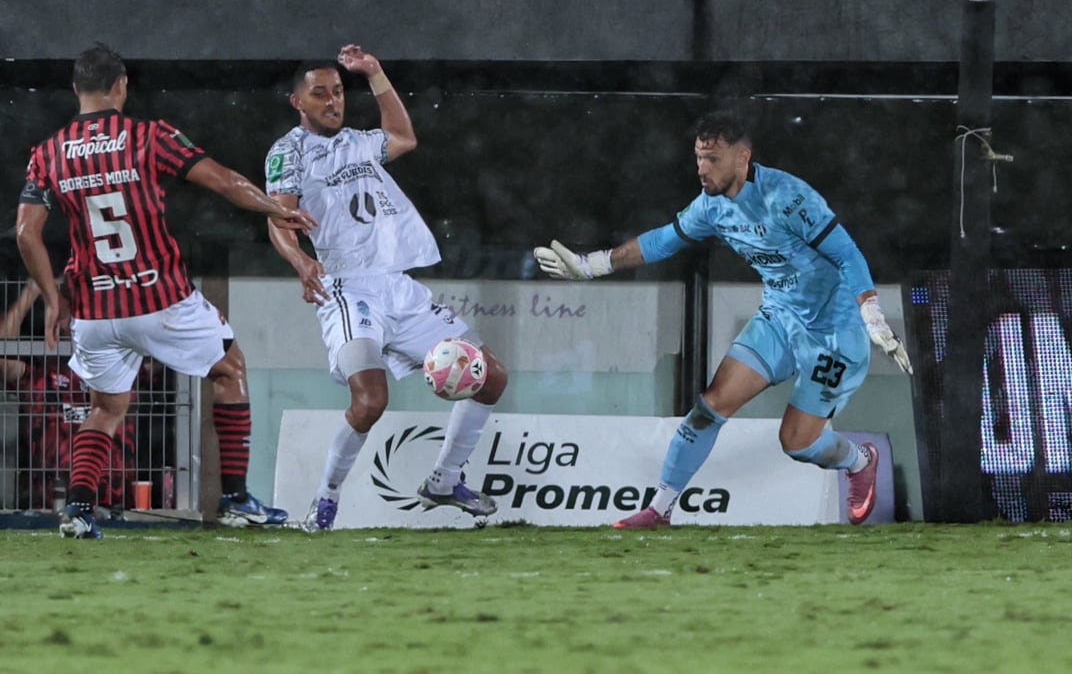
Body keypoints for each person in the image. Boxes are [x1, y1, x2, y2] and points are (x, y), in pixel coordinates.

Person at [534, 110, 913, 529]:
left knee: (797, 442)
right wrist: (591, 266)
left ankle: (860, 460)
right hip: (779, 319)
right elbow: (663, 240)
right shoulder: (711, 206)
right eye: (698, 157)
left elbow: (847, 254)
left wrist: (871, 313)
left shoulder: (788, 196)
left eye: (712, 158)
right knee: (709, 407)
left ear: (742, 157)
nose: (702, 168)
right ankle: (659, 509)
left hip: (834, 331)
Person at [16, 43, 318, 538]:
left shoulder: (48, 152)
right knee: (230, 369)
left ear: (76, 90)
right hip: (160, 299)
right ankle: (236, 499)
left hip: (94, 309)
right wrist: (273, 208)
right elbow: (222, 181)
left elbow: (27, 232)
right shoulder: (148, 136)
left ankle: (77, 509)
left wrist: (52, 299)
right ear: (121, 85)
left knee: (105, 409)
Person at [264, 45, 508, 531]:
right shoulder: (287, 151)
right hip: (347, 288)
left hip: (397, 287)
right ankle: (325, 499)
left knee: (491, 377)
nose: (334, 102)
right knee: (371, 401)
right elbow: (279, 218)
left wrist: (375, 74)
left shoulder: (358, 141)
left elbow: (403, 137)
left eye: (337, 92)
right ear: (298, 102)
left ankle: (445, 479)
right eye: (320, 94)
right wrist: (298, 260)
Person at [0, 279, 136, 510]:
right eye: (61, 316)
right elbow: (3, 356)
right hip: (48, 500)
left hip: (113, 498)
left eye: (75, 315)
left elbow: (156, 351)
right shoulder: (40, 374)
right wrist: (32, 291)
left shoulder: (122, 366)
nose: (67, 324)